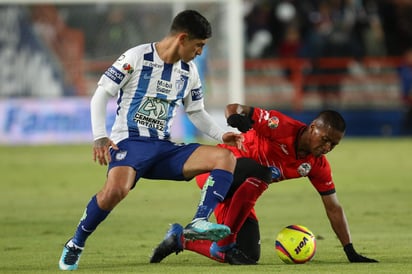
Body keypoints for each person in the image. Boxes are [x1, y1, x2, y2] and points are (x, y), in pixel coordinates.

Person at [58, 10, 244, 271]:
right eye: (199, 45)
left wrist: (221, 134)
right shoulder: (136, 56)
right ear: (183, 38)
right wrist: (100, 135)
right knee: (116, 191)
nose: (200, 52)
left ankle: (198, 222)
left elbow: (196, 111)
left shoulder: (188, 72)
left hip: (164, 148)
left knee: (225, 157)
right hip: (130, 143)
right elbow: (100, 95)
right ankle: (76, 244)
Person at [150, 103, 378, 265]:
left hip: (244, 190)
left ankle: (179, 239)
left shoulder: (317, 165)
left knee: (248, 256)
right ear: (312, 128)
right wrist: (234, 118)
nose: (327, 147)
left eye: (333, 145)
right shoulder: (280, 125)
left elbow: (333, 206)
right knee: (264, 172)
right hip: (218, 174)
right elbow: (235, 107)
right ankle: (221, 243)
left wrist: (349, 250)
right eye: (324, 139)